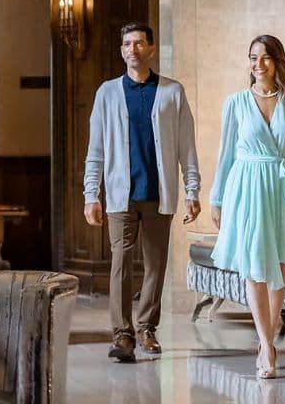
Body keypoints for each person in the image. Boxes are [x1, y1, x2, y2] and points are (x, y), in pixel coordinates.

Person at [83, 22, 201, 363]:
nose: (132, 49)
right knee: (121, 262)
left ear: (151, 49)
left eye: (139, 43)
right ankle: (122, 334)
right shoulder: (107, 93)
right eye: (126, 44)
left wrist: (192, 191)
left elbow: (186, 148)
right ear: (121, 50)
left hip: (157, 193)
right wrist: (92, 194)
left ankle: (147, 327)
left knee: (155, 264)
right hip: (120, 194)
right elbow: (96, 148)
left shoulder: (172, 92)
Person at [210, 34, 285, 379]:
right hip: (247, 188)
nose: (257, 64)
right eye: (252, 58)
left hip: (284, 188)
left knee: (279, 269)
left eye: (264, 58)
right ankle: (267, 345)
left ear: (277, 61)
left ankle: (265, 341)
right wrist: (217, 199)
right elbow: (226, 154)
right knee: (253, 267)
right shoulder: (236, 103)